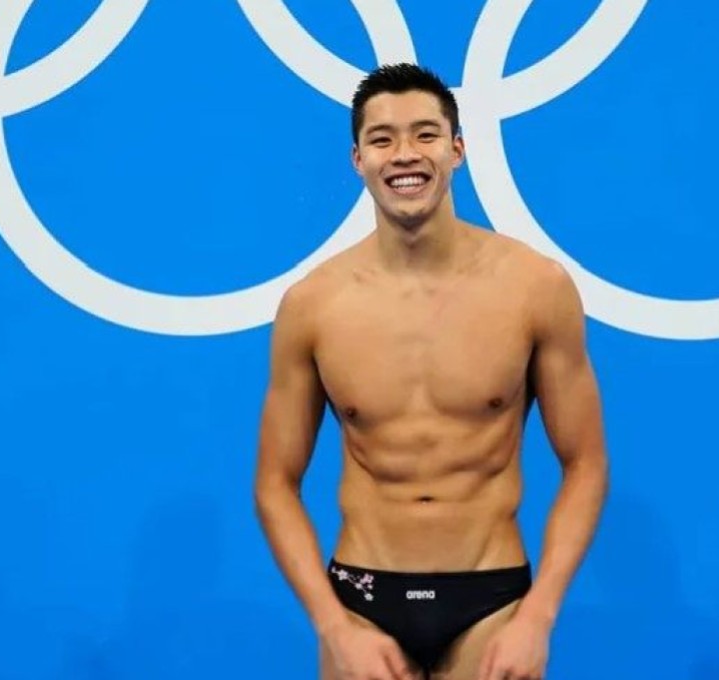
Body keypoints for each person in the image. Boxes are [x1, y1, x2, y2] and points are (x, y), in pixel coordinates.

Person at [254, 63, 609, 680]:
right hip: (361, 602)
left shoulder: (535, 288)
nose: (405, 155)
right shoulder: (312, 305)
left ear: (458, 149)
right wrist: (332, 626)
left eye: (424, 134)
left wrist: (539, 617)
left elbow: (586, 462)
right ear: (357, 159)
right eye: (383, 139)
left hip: (492, 600)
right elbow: (274, 483)